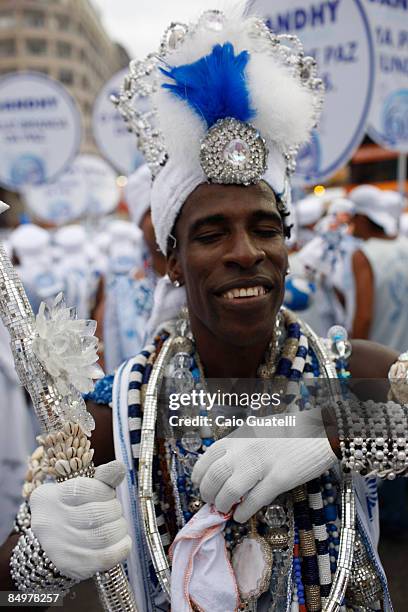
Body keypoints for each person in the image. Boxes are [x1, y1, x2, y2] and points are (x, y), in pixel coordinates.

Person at [0, 9, 405, 612]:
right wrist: (42, 556)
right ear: (172, 261)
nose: (245, 252)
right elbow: (16, 586)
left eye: (265, 228)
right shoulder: (121, 408)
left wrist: (334, 426)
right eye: (212, 233)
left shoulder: (357, 372)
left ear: (287, 249)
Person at [349, 185, 408, 351]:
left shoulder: (363, 255)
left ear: (361, 218)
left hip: (381, 359)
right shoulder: (405, 244)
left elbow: (364, 317)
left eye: (352, 217)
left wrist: (356, 358)